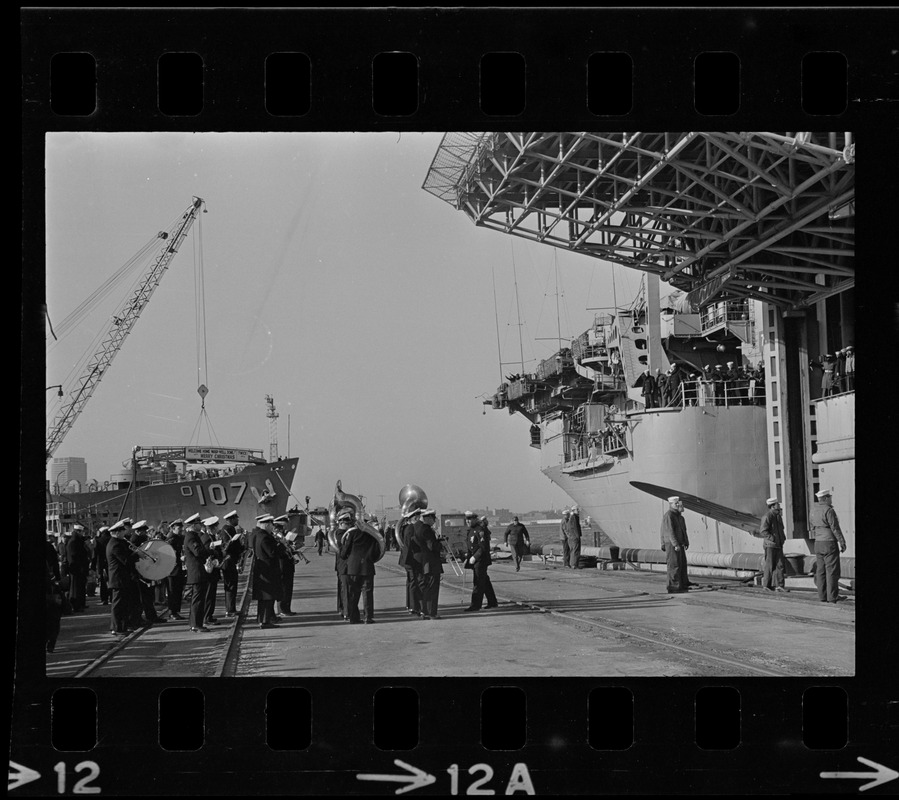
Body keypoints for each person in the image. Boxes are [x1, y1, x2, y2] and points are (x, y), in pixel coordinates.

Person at [338, 508, 379, 624]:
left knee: (353, 594)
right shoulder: (373, 535)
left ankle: (353, 618)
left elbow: (343, 553)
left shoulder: (350, 533)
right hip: (367, 567)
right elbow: (377, 552)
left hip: (353, 568)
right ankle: (368, 617)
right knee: (367, 593)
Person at [809, 489, 847, 603]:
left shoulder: (813, 510)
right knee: (832, 570)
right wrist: (842, 542)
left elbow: (812, 526)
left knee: (820, 571)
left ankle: (822, 596)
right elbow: (834, 527)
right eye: (829, 497)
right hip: (829, 542)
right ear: (825, 498)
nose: (831, 499)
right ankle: (832, 597)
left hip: (818, 543)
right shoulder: (829, 510)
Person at [106, 520, 139, 636]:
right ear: (117, 532)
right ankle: (116, 627)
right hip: (118, 579)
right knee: (118, 605)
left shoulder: (118, 542)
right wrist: (137, 555)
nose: (124, 533)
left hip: (122, 578)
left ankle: (122, 626)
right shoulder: (115, 544)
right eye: (122, 531)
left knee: (123, 604)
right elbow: (125, 560)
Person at [131, 520, 166, 626]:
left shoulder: (141, 539)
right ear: (138, 531)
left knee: (148, 596)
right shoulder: (135, 540)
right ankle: (146, 617)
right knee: (144, 596)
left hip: (146, 570)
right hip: (141, 572)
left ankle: (151, 616)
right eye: (143, 531)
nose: (145, 533)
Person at [183, 513, 213, 633]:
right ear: (194, 525)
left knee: (199, 599)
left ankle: (195, 623)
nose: (201, 525)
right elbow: (197, 552)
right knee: (198, 600)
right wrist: (209, 551)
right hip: (197, 572)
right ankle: (196, 624)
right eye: (199, 523)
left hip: (198, 572)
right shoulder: (191, 537)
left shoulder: (193, 535)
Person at [251, 514, 281, 628]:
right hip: (267, 570)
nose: (272, 527)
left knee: (263, 598)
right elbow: (272, 553)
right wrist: (280, 544)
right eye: (271, 524)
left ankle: (262, 619)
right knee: (267, 598)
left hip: (263, 570)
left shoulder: (259, 535)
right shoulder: (264, 537)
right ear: (267, 524)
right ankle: (265, 621)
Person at [412, 508, 443, 619]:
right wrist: (440, 544)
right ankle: (431, 613)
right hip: (431, 562)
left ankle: (424, 611)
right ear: (428, 518)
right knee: (432, 588)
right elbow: (431, 546)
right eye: (433, 518)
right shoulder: (427, 530)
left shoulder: (418, 527)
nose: (434, 520)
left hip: (423, 562)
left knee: (424, 588)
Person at [464, 522, 498, 612]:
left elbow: (483, 547)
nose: (468, 521)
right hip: (474, 560)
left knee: (478, 582)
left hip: (481, 560)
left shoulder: (480, 530)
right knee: (485, 581)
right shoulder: (470, 531)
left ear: (475, 519)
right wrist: (467, 558)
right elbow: (470, 546)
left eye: (470, 519)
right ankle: (492, 601)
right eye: (466, 519)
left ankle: (476, 605)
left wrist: (475, 557)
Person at [661, 496, 690, 594]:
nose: (678, 505)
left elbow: (683, 531)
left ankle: (682, 584)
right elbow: (670, 532)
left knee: (682, 564)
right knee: (674, 565)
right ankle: (673, 587)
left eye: (679, 503)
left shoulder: (680, 517)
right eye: (676, 504)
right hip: (673, 544)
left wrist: (686, 542)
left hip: (680, 543)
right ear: (671, 505)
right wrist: (675, 544)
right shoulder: (669, 515)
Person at [758, 498, 788, 592]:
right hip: (770, 545)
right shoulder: (767, 516)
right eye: (777, 504)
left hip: (778, 544)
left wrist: (782, 538)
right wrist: (773, 538)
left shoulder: (778, 516)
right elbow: (763, 531)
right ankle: (766, 585)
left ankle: (780, 585)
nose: (778, 505)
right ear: (772, 506)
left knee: (780, 565)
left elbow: (780, 529)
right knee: (769, 565)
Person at [399, 509, 424, 616]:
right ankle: (414, 607)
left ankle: (411, 605)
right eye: (418, 517)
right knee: (413, 583)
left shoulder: (409, 528)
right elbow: (408, 546)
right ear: (414, 517)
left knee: (411, 583)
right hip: (411, 560)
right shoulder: (410, 528)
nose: (419, 519)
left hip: (409, 559)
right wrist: (408, 561)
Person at [220, 512, 245, 617]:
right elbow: (227, 547)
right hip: (228, 562)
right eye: (236, 519)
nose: (237, 520)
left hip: (231, 561)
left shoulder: (230, 529)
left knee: (233, 586)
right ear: (231, 519)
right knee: (230, 585)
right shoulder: (227, 530)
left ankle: (232, 608)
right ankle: (230, 610)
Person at [200, 516, 224, 625]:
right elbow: (205, 553)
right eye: (216, 526)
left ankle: (209, 616)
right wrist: (214, 555)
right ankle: (206, 617)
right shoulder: (206, 538)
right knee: (208, 595)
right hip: (209, 572)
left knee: (212, 595)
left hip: (213, 571)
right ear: (212, 528)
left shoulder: (212, 537)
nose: (218, 528)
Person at [274, 515, 297, 617]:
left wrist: (293, 548)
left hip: (287, 564)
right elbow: (279, 551)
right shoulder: (277, 535)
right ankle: (282, 609)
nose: (287, 525)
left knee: (288, 588)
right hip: (282, 565)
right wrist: (288, 548)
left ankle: (286, 608)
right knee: (284, 588)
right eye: (285, 523)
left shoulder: (283, 534)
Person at [64, 524, 90, 612]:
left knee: (80, 588)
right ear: (78, 532)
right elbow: (73, 557)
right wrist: (78, 567)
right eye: (81, 532)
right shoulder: (74, 542)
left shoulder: (78, 541)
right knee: (75, 589)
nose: (83, 533)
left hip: (79, 568)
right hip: (76, 569)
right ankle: (76, 605)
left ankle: (81, 604)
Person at [164, 519, 186, 620]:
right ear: (173, 528)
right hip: (172, 570)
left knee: (178, 591)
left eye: (181, 527)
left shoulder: (179, 537)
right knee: (172, 592)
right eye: (179, 528)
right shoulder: (171, 539)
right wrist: (179, 558)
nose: (181, 529)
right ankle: (172, 612)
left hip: (179, 569)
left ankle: (176, 611)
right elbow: (168, 554)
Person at [93, 525, 111, 606]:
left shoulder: (98, 541)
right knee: (112, 581)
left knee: (103, 583)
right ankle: (112, 597)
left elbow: (95, 555)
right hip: (111, 564)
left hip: (101, 564)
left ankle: (104, 599)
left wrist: (93, 566)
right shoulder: (111, 539)